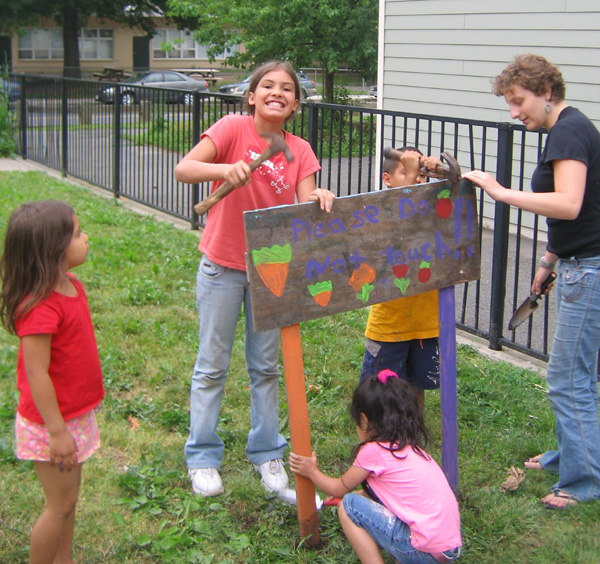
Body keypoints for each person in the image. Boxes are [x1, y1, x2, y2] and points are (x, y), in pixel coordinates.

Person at [174, 60, 335, 497]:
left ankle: (267, 453)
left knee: (265, 367)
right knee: (211, 366)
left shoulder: (299, 150)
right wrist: (224, 170)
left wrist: (318, 196)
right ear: (251, 95)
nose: (276, 92)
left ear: (296, 104)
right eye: (267, 85)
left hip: (272, 272)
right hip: (223, 265)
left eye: (287, 88)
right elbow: (184, 169)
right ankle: (203, 456)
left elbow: (304, 211)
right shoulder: (230, 128)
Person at [464, 54, 600, 509]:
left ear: (547, 93)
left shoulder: (567, 131)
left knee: (566, 378)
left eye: (519, 101)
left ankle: (583, 483)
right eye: (510, 103)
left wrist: (499, 192)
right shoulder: (568, 128)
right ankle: (568, 455)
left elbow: (569, 203)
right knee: (575, 374)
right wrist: (548, 258)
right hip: (578, 262)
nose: (514, 112)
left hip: (591, 269)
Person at [0, 200, 105, 564]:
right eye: (77, 234)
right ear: (53, 251)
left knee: (69, 501)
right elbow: (36, 373)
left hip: (72, 416)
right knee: (58, 505)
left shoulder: (71, 285)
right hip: (51, 424)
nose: (86, 237)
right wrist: (58, 432)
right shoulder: (40, 307)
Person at [290, 369, 462, 564]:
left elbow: (338, 488)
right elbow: (387, 493)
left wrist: (311, 471)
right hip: (449, 549)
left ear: (363, 420)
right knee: (357, 499)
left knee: (349, 506)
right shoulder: (409, 446)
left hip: (424, 550)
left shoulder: (374, 451)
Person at [360, 147, 444, 415]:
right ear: (388, 179)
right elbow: (400, 223)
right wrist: (410, 182)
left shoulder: (431, 208)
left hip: (426, 324)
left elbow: (453, 204)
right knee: (378, 391)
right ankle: (376, 443)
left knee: (416, 389)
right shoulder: (379, 211)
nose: (417, 181)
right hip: (389, 326)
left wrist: (443, 172)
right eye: (406, 173)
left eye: (421, 176)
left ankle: (413, 441)